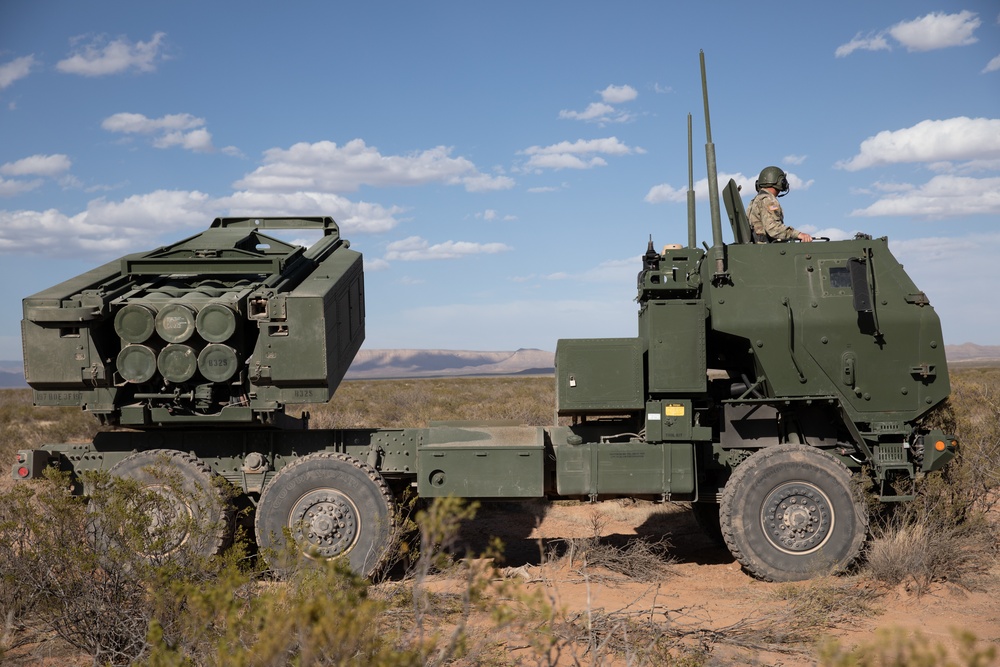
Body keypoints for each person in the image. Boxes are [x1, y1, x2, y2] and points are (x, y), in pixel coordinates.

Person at [746, 166, 812, 243]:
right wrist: (798, 234)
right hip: (768, 249)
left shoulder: (756, 200)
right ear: (780, 182)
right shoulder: (768, 200)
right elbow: (773, 228)